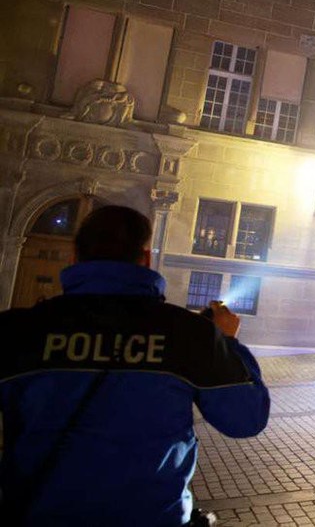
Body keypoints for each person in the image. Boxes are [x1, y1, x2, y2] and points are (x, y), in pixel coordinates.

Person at [0, 205, 270, 526]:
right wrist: (225, 341)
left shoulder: (16, 331)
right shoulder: (186, 333)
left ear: (75, 255)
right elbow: (246, 419)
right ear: (144, 258)